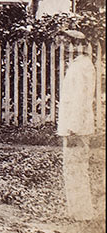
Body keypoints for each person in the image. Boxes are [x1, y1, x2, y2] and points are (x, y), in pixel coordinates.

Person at [58, 29, 100, 229]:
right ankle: (75, 212)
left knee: (77, 168)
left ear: (78, 45)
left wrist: (73, 128)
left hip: (77, 127)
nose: (65, 47)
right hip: (73, 127)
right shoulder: (77, 66)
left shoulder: (83, 67)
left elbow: (82, 100)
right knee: (72, 168)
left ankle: (83, 214)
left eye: (68, 43)